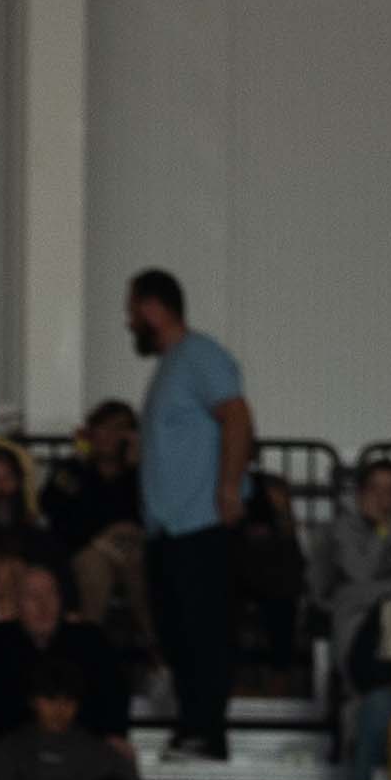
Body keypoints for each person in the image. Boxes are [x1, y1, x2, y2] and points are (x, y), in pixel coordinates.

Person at [121, 266, 252, 753]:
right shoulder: (171, 364)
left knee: (203, 630)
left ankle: (206, 729)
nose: (129, 321)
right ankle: (192, 722)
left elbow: (236, 415)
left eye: (132, 309)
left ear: (153, 308)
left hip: (200, 523)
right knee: (177, 630)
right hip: (169, 529)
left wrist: (229, 487)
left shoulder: (200, 355)